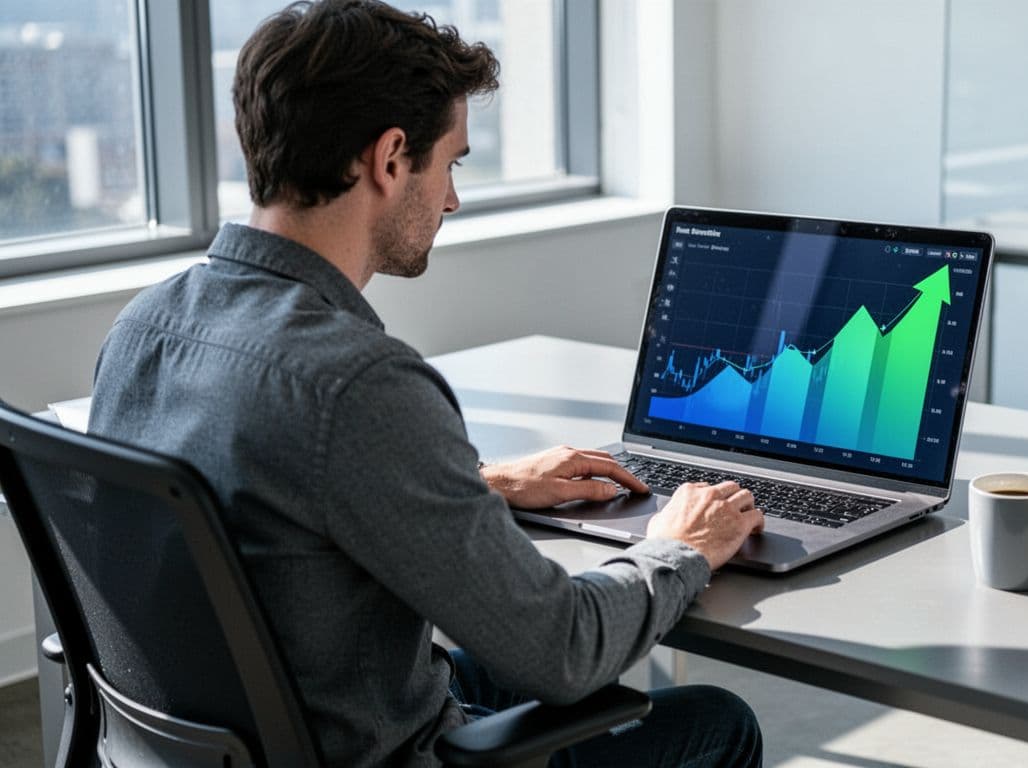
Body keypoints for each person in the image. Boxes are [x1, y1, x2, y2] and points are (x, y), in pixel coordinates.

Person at [86, 1, 765, 765]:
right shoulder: (357, 384)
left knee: (468, 670)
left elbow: (265, 491)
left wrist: (476, 485)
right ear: (389, 157)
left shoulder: (143, 326)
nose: (450, 199)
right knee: (717, 720)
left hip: (242, 736)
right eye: (452, 165)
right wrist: (680, 547)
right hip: (367, 747)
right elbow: (562, 652)